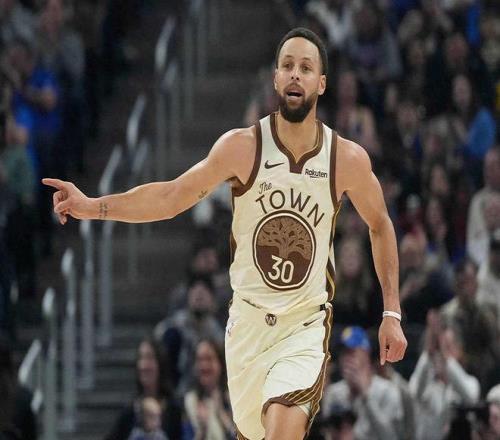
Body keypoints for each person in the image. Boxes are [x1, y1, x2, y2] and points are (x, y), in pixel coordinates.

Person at [43, 27, 407, 440]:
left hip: (303, 325)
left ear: (321, 83)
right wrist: (93, 206)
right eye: (287, 65)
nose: (295, 74)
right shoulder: (242, 147)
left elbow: (380, 224)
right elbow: (171, 197)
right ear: (275, 78)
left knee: (283, 426)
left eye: (306, 68)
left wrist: (391, 312)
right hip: (247, 326)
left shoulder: (345, 158)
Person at [322, 326, 405, 440]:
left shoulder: (388, 391)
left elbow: (391, 436)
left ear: (365, 354)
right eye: (343, 353)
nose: (346, 359)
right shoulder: (333, 393)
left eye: (351, 353)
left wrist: (366, 396)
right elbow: (328, 434)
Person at [104, 338, 181, 440]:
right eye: (141, 358)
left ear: (160, 363)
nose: (143, 365)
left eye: (149, 358)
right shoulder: (130, 412)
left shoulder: (174, 410)